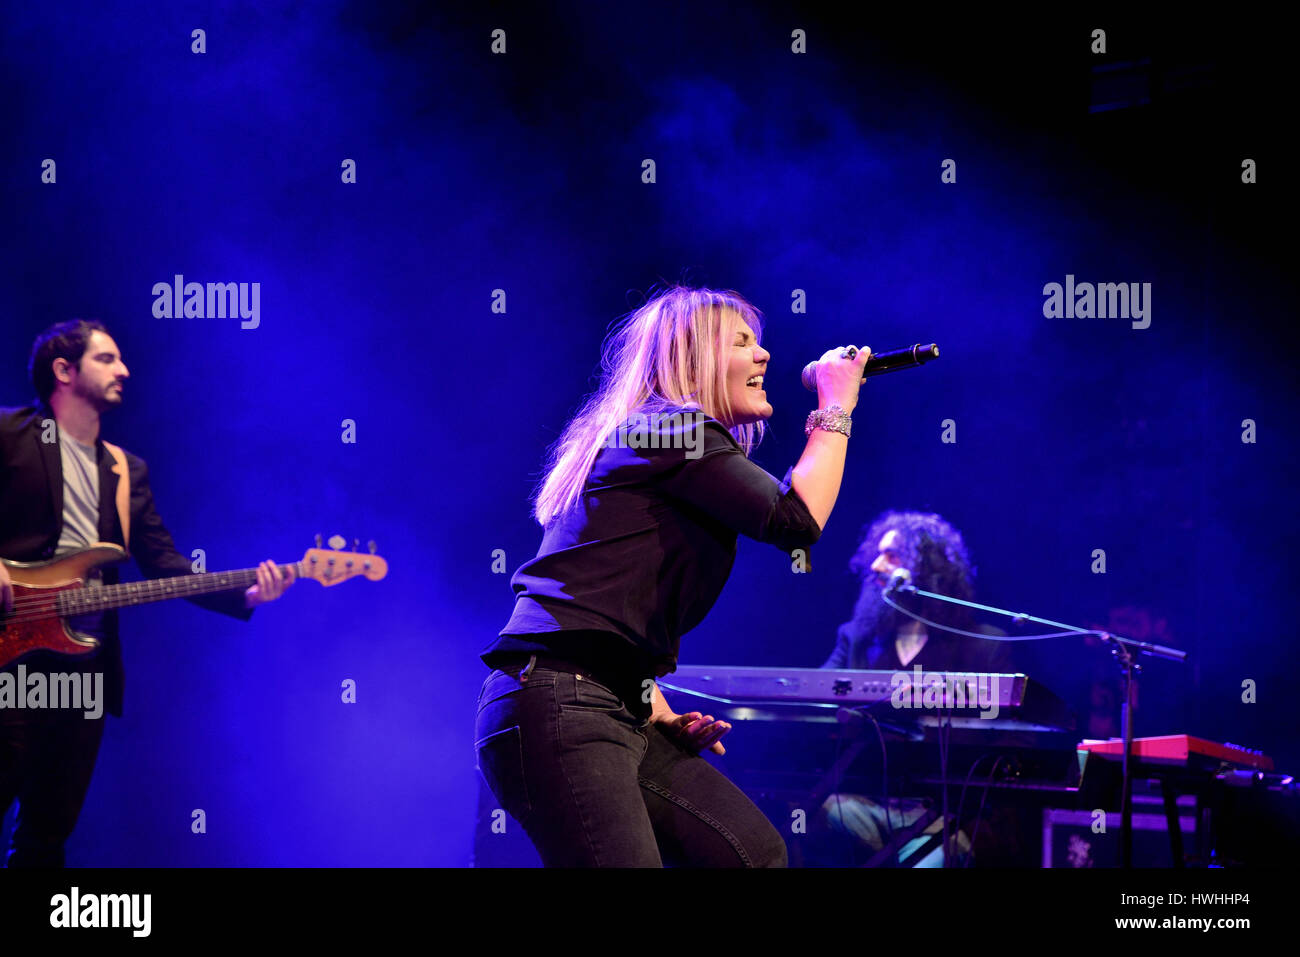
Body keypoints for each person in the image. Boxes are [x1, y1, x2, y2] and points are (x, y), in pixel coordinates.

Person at [475, 284, 870, 867]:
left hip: (609, 700)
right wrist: (835, 407)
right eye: (741, 343)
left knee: (750, 854)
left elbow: (600, 585)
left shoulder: (664, 442)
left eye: (759, 343)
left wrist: (649, 698)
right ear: (691, 359)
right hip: (562, 703)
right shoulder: (669, 433)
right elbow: (796, 518)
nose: (764, 356)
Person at [0, 319, 293, 867]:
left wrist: (246, 594)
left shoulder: (126, 469)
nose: (124, 370)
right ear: (64, 370)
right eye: (106, 358)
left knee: (45, 836)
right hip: (7, 659)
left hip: (82, 670)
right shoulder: (8, 433)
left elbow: (167, 566)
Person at [818, 511, 1012, 865]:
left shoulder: (983, 646)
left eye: (893, 556)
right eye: (876, 554)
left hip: (944, 813)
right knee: (828, 813)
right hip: (864, 804)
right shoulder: (855, 639)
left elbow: (1009, 743)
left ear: (930, 570)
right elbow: (814, 700)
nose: (877, 565)